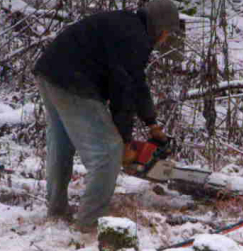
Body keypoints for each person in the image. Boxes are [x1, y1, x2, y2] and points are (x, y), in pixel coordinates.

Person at [32, 0, 179, 232]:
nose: (166, 39)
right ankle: (89, 224)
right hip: (74, 82)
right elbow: (123, 92)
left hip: (49, 72)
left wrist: (152, 124)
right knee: (108, 152)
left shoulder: (128, 27)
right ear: (160, 27)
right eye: (167, 33)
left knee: (61, 144)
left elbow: (136, 81)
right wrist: (125, 142)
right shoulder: (135, 39)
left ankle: (57, 210)